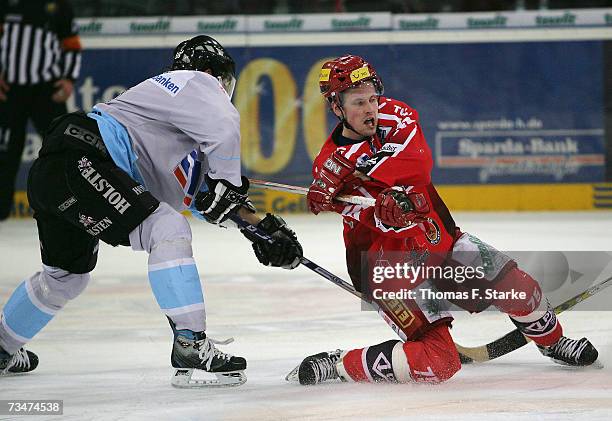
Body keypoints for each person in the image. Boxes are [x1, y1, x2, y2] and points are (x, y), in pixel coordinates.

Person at [0, 35, 304, 388]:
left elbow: (203, 201)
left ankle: (3, 346)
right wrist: (229, 183)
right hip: (84, 159)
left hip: (58, 173)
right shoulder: (196, 81)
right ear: (210, 71)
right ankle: (191, 342)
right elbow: (224, 134)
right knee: (168, 229)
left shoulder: (166, 126)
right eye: (224, 79)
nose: (224, 88)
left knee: (64, 277)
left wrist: (263, 228)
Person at [290, 55, 599, 385]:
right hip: (388, 266)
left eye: (372, 98)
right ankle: (339, 364)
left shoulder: (395, 115)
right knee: (439, 363)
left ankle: (552, 343)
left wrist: (359, 170)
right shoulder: (327, 165)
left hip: (438, 243)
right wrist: (359, 204)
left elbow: (418, 164)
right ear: (336, 108)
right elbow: (367, 218)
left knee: (522, 291)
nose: (370, 109)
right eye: (358, 102)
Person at [0, 0, 82, 220]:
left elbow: (72, 44)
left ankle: (67, 204)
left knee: (60, 148)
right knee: (5, 151)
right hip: (11, 90)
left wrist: (68, 80)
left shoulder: (58, 6)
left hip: (46, 91)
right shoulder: (6, 5)